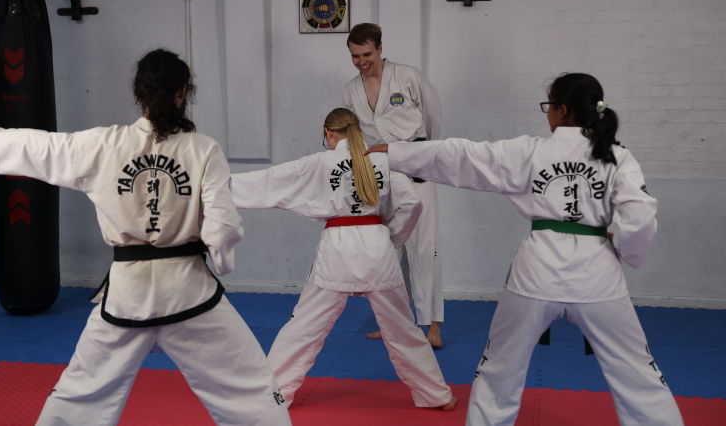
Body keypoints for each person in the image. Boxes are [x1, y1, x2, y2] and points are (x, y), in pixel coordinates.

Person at [0, 49, 291, 426]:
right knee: (248, 387)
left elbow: (44, 147)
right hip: (190, 292)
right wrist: (221, 262)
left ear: (138, 92)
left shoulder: (104, 145)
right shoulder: (204, 149)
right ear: (183, 92)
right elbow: (222, 226)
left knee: (83, 393)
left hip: (127, 296)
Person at [366, 73, 684, 425]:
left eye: (549, 106)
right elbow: (639, 217)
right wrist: (623, 248)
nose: (546, 114)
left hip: (536, 274)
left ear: (562, 110)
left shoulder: (531, 151)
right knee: (637, 373)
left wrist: (397, 153)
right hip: (598, 277)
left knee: (500, 369)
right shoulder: (617, 157)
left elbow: (463, 156)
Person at [230, 107, 457, 411]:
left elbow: (270, 180)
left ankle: (272, 396)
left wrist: (217, 187)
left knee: (303, 327)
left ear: (329, 133)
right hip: (378, 250)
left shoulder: (321, 162)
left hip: (337, 249)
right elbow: (412, 204)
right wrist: (391, 238)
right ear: (358, 130)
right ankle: (436, 395)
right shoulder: (382, 160)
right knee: (404, 329)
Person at [343, 22, 445, 347]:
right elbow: (354, 133)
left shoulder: (409, 77)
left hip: (416, 164)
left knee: (425, 246)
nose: (362, 61)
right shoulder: (350, 91)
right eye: (356, 56)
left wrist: (421, 153)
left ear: (380, 49)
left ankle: (432, 327)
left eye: (367, 53)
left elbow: (433, 117)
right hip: (381, 172)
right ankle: (394, 323)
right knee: (387, 249)